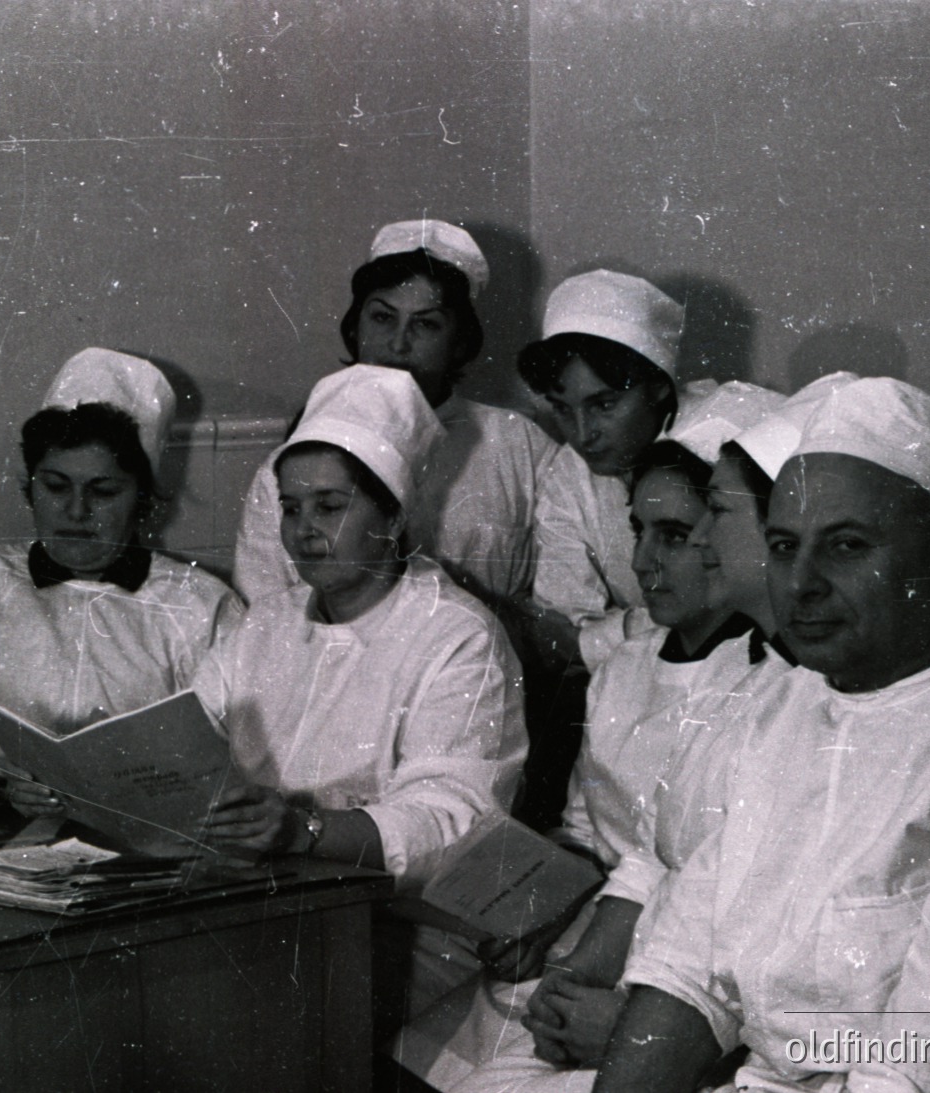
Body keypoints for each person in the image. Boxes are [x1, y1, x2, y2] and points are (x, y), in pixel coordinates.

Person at [596, 378, 930, 1093]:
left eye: (844, 545)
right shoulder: (788, 695)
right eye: (782, 545)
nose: (799, 583)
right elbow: (687, 963)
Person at [395, 382, 785, 1092]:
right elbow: (584, 827)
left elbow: (693, 878)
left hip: (664, 955)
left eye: (675, 534)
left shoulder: (768, 682)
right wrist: (532, 901)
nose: (643, 562)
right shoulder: (624, 667)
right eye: (639, 530)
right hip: (585, 925)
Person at [197, 364, 528, 1024]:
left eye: (329, 506)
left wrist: (304, 829)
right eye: (290, 508)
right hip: (255, 906)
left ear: (394, 514)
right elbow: (194, 733)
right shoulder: (262, 625)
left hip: (402, 932)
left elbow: (451, 820)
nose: (301, 530)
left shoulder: (454, 637)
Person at [0, 349, 239, 803]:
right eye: (55, 486)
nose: (76, 511)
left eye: (103, 491)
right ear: (30, 487)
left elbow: (233, 753)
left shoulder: (202, 607)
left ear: (143, 499)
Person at [231, 219, 562, 616]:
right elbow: (264, 613)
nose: (398, 343)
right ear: (356, 326)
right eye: (383, 318)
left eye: (426, 324)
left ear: (459, 343)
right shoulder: (293, 462)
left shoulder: (520, 446)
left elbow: (559, 604)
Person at [517, 270, 690, 675]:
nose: (582, 434)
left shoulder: (721, 446)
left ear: (659, 386)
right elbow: (560, 628)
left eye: (605, 405)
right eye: (563, 409)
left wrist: (601, 639)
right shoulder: (569, 473)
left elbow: (722, 615)